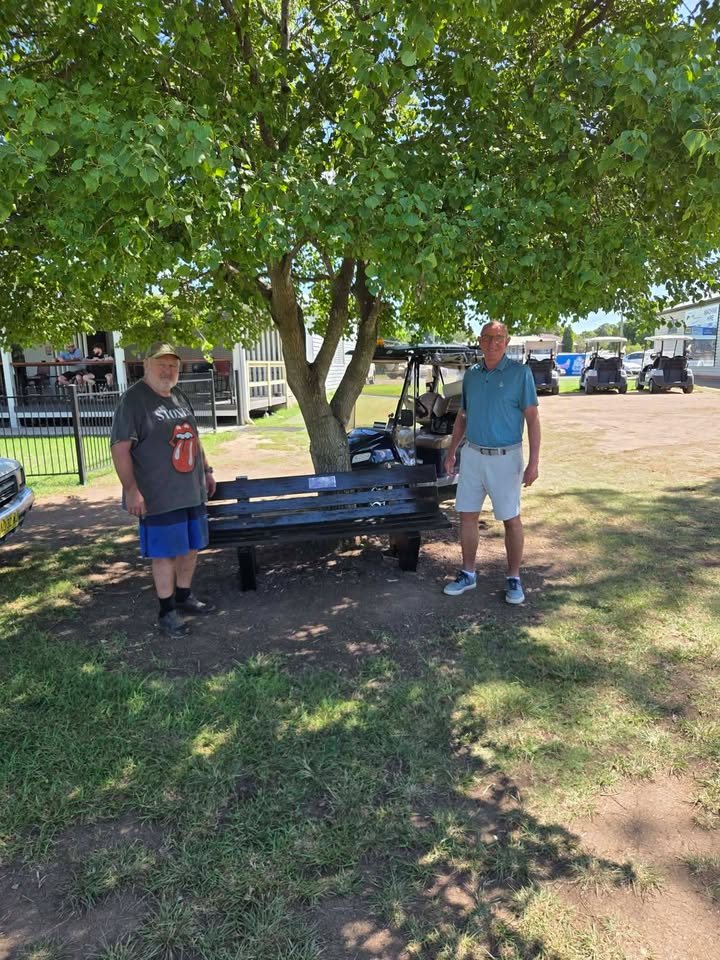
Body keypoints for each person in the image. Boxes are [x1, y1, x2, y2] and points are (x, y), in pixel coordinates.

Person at [110, 342, 217, 637]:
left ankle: (184, 596)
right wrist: (131, 490)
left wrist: (206, 470)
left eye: (173, 366)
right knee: (165, 554)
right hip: (158, 495)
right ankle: (166, 612)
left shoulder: (179, 396)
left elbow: (194, 438)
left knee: (191, 548)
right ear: (146, 365)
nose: (167, 371)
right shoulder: (133, 401)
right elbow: (120, 449)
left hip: (191, 491)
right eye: (161, 364)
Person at [443, 321, 540, 604]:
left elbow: (532, 419)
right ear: (480, 341)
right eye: (487, 338)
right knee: (467, 515)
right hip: (473, 455)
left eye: (499, 338)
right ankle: (468, 573)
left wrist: (533, 463)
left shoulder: (520, 373)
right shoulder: (471, 375)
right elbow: (463, 415)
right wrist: (452, 452)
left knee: (511, 519)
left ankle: (514, 578)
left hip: (506, 458)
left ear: (506, 341)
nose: (493, 342)